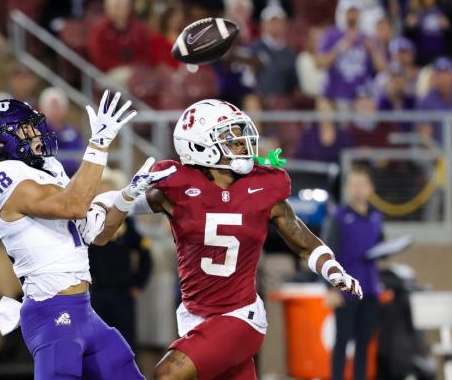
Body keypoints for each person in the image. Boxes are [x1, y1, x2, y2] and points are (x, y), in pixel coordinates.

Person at [85, 98, 364, 379]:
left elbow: (303, 241)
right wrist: (124, 195)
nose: (243, 144)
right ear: (198, 145)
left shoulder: (263, 185)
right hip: (196, 316)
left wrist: (333, 269)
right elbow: (105, 229)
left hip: (240, 315)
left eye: (242, 134)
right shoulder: (177, 187)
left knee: (167, 373)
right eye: (231, 137)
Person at [0, 90, 173, 379]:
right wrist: (99, 144)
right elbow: (74, 204)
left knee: (124, 369)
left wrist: (128, 197)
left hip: (83, 310)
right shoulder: (0, 176)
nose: (38, 134)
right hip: (51, 312)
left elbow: (97, 234)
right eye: (26, 130)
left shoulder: (48, 169)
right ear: (3, 141)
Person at [321, 165, 382, 380]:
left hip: (370, 290)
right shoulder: (337, 217)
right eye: (353, 184)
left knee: (364, 343)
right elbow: (326, 255)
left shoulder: (376, 217)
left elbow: (379, 246)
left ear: (371, 188)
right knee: (342, 342)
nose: (357, 189)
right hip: (345, 291)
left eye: (362, 184)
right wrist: (330, 288)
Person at [88, 168, 153, 350]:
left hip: (122, 292)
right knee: (96, 340)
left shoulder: (127, 222)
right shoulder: (86, 220)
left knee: (125, 339)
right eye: (100, 187)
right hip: (96, 291)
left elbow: (145, 253)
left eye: (107, 187)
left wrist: (138, 283)